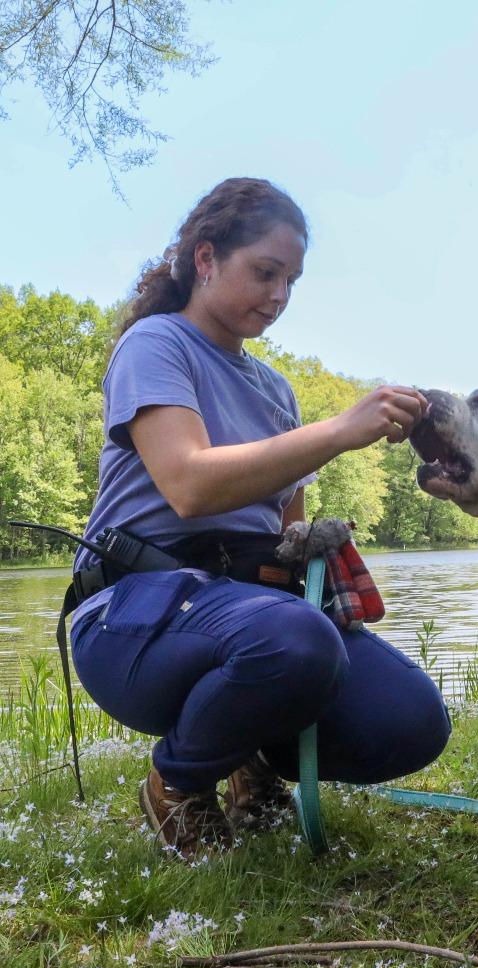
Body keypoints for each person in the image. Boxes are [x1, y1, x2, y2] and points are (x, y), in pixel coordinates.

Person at [70, 177, 451, 859]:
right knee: (294, 641)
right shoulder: (157, 344)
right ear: (207, 257)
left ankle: (248, 757)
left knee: (413, 720)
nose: (278, 296)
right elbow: (186, 485)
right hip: (133, 614)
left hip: (249, 612)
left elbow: (283, 540)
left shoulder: (276, 388)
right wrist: (341, 429)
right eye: (265, 272)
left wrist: (309, 544)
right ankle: (177, 783)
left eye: (292, 281)